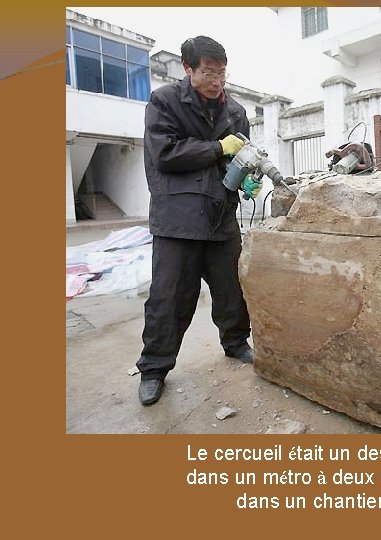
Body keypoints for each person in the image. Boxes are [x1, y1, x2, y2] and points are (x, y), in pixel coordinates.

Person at [136, 36, 260, 406]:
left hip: (221, 214)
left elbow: (240, 155)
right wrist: (218, 148)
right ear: (187, 69)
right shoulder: (164, 102)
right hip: (178, 219)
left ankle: (236, 342)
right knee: (169, 297)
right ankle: (155, 367)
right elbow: (166, 154)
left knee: (232, 289)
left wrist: (246, 173)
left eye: (221, 73)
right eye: (208, 72)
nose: (216, 81)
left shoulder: (235, 112)